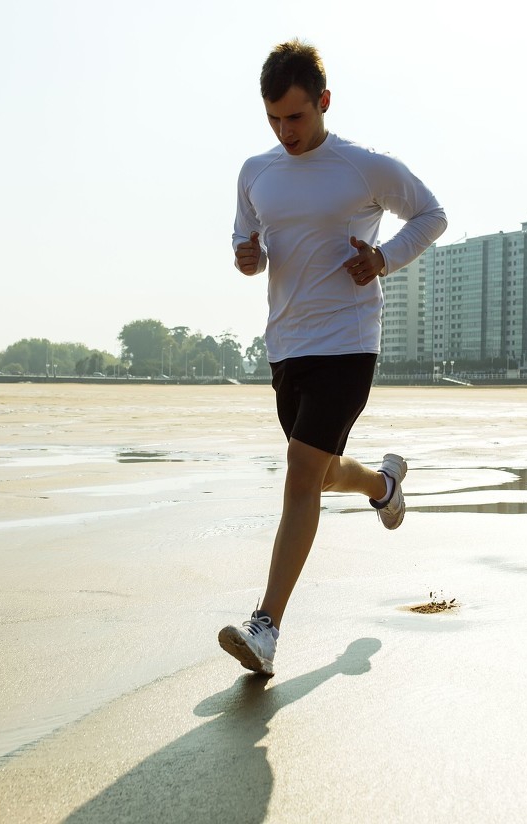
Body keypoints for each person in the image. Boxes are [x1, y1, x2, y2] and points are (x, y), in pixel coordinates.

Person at [218, 40, 447, 676]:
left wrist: (383, 257)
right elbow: (249, 241)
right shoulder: (255, 171)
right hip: (285, 346)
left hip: (349, 342)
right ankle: (383, 485)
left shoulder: (363, 167)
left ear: (323, 101)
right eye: (273, 120)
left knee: (298, 470)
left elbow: (432, 214)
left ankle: (265, 627)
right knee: (315, 476)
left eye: (295, 117)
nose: (285, 131)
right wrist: (247, 257)